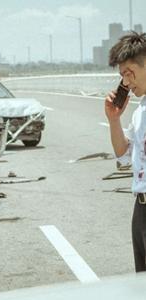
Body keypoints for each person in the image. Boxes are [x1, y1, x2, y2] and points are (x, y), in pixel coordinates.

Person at [105, 31, 146, 272]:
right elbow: (123, 155)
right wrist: (113, 120)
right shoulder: (140, 111)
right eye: (122, 76)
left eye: (129, 74)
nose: (126, 83)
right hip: (140, 208)